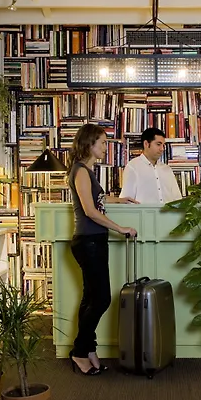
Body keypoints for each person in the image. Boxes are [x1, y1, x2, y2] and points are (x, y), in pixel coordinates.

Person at [67, 123, 138, 376]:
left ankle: (88, 349)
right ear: (89, 144)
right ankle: (79, 351)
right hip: (88, 242)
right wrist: (120, 228)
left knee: (90, 298)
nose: (106, 147)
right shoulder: (80, 171)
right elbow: (90, 211)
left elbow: (97, 199)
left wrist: (120, 199)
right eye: (103, 142)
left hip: (94, 241)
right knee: (101, 299)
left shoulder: (87, 171)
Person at [119, 127, 183, 204]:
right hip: (143, 212)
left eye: (163, 145)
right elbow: (126, 201)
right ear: (146, 144)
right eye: (158, 144)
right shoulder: (133, 167)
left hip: (168, 211)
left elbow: (177, 199)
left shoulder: (167, 169)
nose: (162, 149)